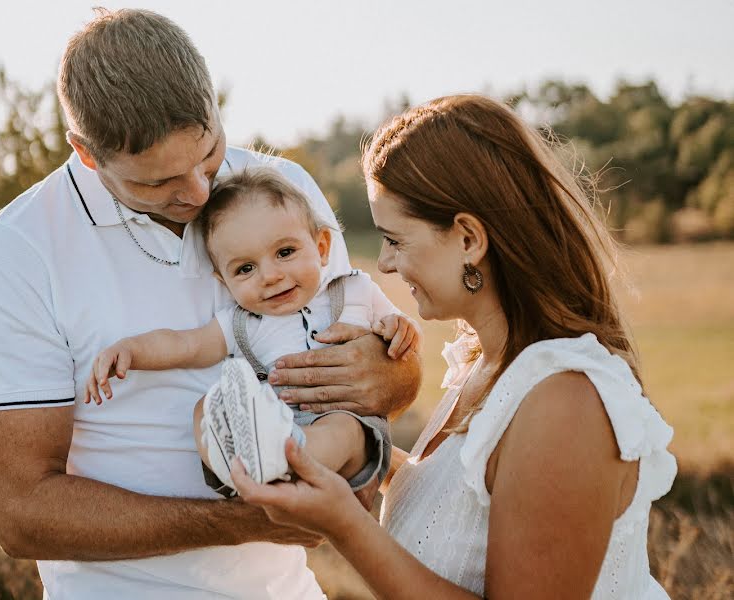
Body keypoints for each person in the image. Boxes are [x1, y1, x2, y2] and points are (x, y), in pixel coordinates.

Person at [0, 8, 420, 599]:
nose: (200, 193)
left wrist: (389, 375)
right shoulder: (21, 250)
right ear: (87, 152)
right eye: (158, 183)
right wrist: (248, 519)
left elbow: (389, 367)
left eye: (209, 155)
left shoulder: (281, 188)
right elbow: (22, 512)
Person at [232, 94, 677, 599]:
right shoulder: (484, 367)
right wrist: (358, 452)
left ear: (468, 239)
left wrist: (343, 524)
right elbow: (456, 503)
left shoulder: (564, 400)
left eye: (395, 240)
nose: (384, 264)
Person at [85, 167, 420, 494]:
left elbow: (398, 333)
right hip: (270, 424)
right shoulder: (242, 322)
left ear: (321, 249)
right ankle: (241, 460)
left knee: (344, 430)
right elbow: (184, 344)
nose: (270, 276)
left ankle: (287, 457)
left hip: (341, 427)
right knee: (206, 406)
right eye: (246, 269)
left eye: (285, 252)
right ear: (224, 281)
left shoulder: (355, 289)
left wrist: (397, 329)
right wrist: (131, 351)